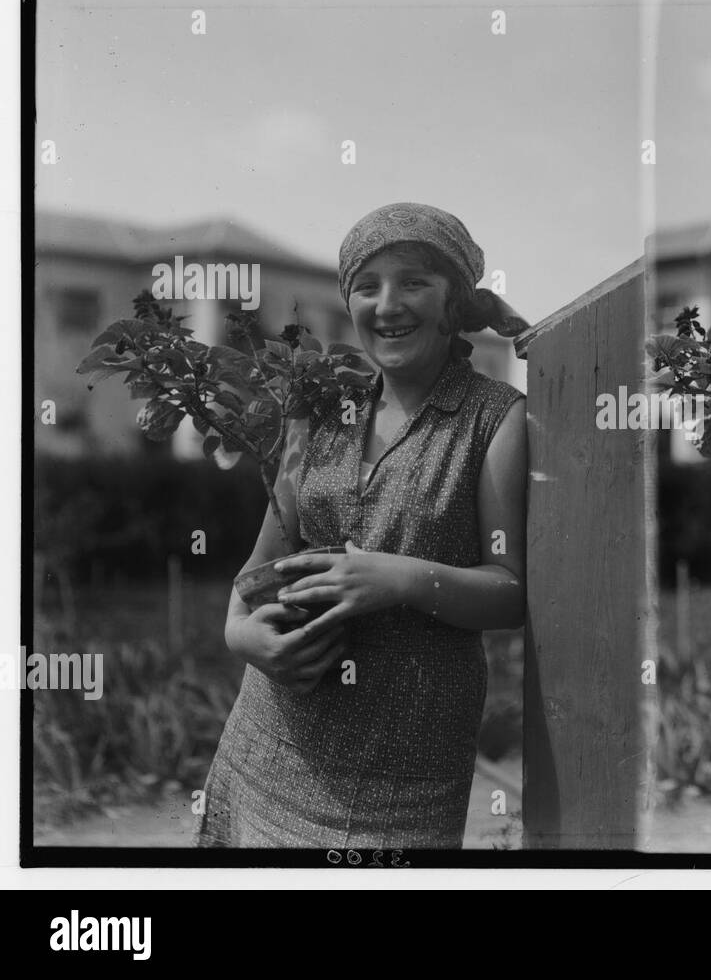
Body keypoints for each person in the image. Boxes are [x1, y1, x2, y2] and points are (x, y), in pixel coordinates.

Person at [195, 202, 529, 849]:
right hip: (269, 743)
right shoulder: (316, 407)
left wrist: (399, 579)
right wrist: (242, 635)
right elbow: (257, 570)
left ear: (454, 301)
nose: (388, 304)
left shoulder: (494, 418)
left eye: (413, 282)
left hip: (405, 768)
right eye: (367, 286)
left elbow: (511, 590)